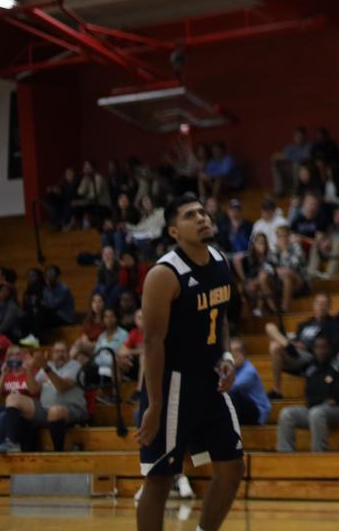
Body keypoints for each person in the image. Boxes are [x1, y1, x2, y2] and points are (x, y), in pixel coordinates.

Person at [135, 196, 243, 531]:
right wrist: (154, 404)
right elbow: (151, 344)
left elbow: (220, 318)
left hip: (209, 381)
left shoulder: (220, 260)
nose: (201, 218)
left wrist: (225, 356)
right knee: (160, 480)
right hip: (171, 386)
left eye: (202, 212)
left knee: (232, 467)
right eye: (189, 215)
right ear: (173, 230)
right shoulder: (164, 274)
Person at [276, 334, 339, 452]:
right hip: (315, 409)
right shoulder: (311, 369)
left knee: (317, 413)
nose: (321, 351)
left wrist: (327, 400)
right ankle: (285, 454)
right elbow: (309, 396)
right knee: (286, 413)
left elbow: (338, 396)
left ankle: (318, 455)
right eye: (317, 347)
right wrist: (321, 400)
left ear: (330, 349)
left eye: (324, 347)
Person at [225, 340, 271, 426]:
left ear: (243, 353)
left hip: (258, 412)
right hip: (244, 409)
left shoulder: (249, 371)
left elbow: (231, 388)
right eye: (231, 352)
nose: (233, 355)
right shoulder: (232, 369)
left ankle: (231, 426)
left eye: (236, 352)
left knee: (233, 394)